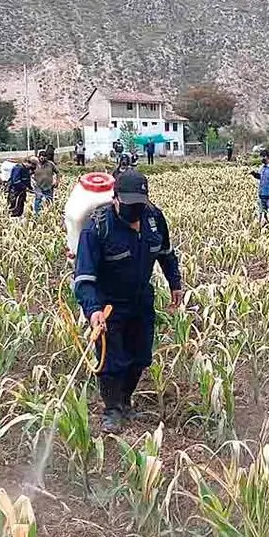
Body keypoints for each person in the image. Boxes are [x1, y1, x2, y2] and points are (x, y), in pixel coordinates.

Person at [73, 170, 182, 431]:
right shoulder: (98, 227)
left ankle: (125, 401)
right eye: (129, 204)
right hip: (108, 303)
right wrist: (93, 310)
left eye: (139, 204)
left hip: (141, 298)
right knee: (111, 359)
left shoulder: (154, 218)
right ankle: (112, 409)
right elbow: (84, 277)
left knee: (140, 356)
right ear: (115, 199)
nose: (135, 210)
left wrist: (174, 282)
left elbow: (166, 253)